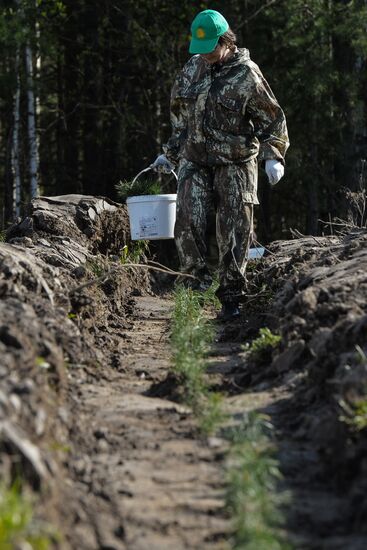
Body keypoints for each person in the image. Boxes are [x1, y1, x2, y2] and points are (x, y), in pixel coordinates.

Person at [153, 9, 289, 320]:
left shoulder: (247, 75)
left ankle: (231, 297)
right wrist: (170, 153)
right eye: (199, 50)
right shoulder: (192, 69)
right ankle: (193, 290)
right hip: (195, 158)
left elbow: (272, 120)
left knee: (234, 227)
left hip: (236, 161)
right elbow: (180, 121)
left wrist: (274, 156)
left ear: (226, 42)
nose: (204, 56)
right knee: (187, 220)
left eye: (210, 49)